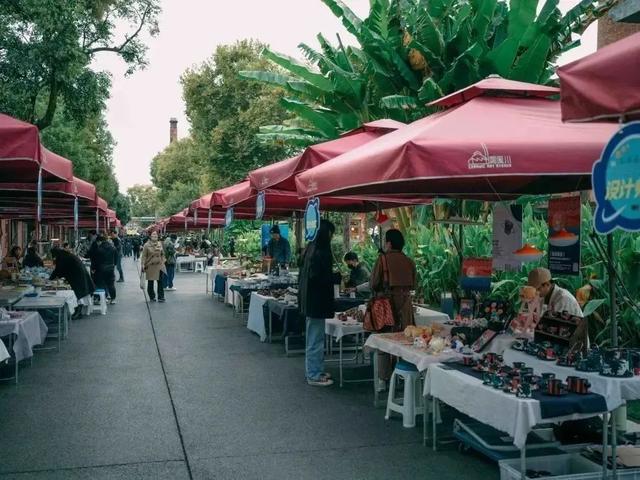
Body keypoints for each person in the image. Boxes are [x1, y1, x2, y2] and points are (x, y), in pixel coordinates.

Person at [371, 229, 417, 385]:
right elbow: (415, 284)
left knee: (384, 341)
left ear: (389, 243)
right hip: (405, 305)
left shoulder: (382, 260)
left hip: (385, 304)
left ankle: (384, 379)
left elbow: (373, 283)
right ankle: (405, 377)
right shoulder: (409, 261)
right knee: (406, 340)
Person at [299, 220, 341, 387]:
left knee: (314, 338)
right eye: (331, 233)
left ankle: (315, 370)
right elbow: (318, 278)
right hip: (317, 302)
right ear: (326, 234)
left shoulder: (310, 248)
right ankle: (314, 374)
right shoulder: (321, 252)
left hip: (310, 301)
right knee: (315, 340)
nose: (332, 237)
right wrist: (335, 277)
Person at [50, 247, 95, 318]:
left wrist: (50, 279)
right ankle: (78, 311)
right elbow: (61, 269)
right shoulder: (65, 255)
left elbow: (58, 270)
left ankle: (78, 312)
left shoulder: (62, 257)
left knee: (78, 292)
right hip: (78, 274)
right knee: (79, 292)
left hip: (78, 276)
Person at [91, 235, 118, 305]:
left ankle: (103, 298)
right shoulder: (113, 248)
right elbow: (116, 259)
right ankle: (113, 299)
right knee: (111, 284)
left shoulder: (99, 249)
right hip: (110, 268)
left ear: (99, 241)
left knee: (101, 284)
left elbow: (95, 261)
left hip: (101, 269)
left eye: (97, 242)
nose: (97, 243)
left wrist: (93, 268)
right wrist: (113, 265)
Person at [141, 230, 166, 302]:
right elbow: (144, 256)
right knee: (150, 282)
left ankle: (161, 297)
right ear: (150, 236)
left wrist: (163, 261)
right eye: (153, 235)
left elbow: (163, 254)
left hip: (159, 265)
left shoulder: (160, 244)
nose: (155, 236)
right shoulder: (146, 245)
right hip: (150, 266)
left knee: (160, 282)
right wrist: (142, 264)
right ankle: (152, 296)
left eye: (156, 235)